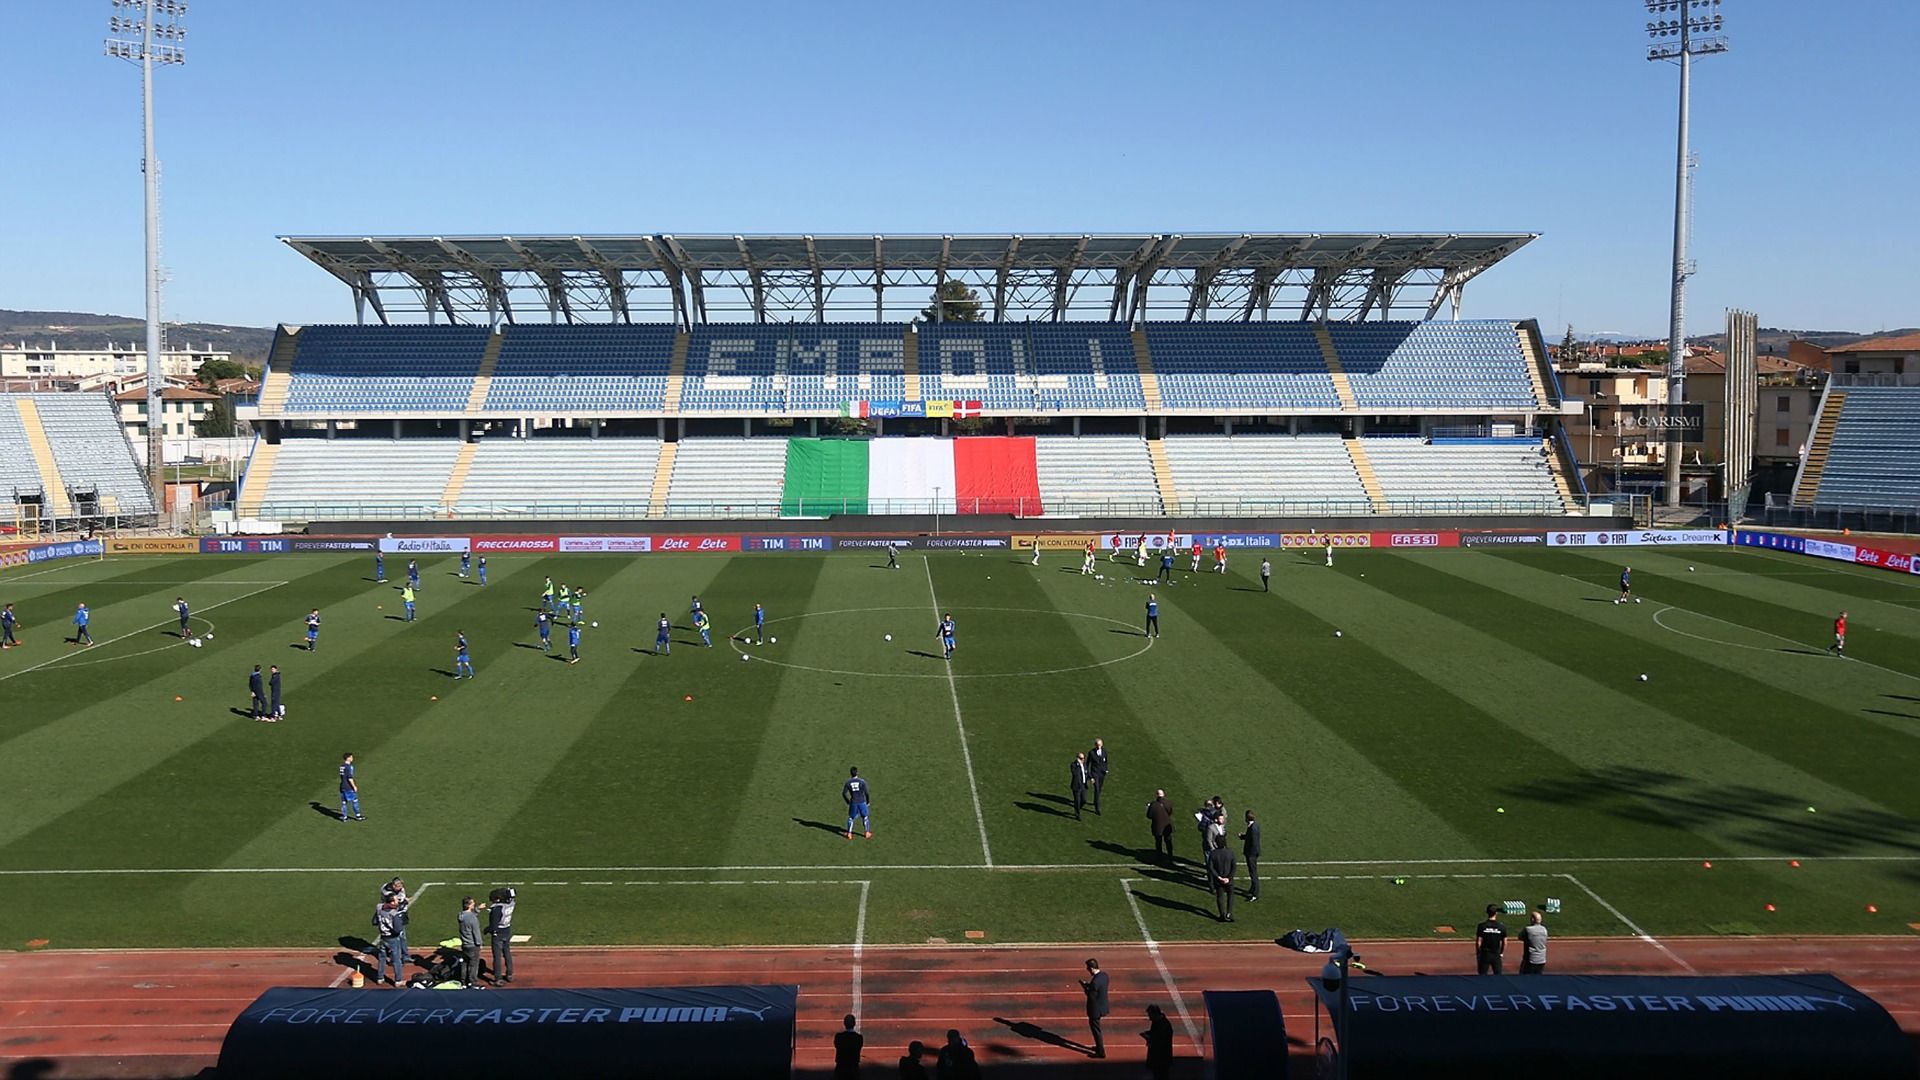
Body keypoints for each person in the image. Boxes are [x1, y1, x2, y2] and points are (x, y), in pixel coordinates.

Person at [373, 892, 407, 986]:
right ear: (392, 902)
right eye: (396, 900)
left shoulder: (379, 907)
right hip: (392, 939)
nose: (398, 901)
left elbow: (375, 920)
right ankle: (398, 980)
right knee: (396, 959)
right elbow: (398, 929)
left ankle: (380, 978)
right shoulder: (394, 914)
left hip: (383, 937)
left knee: (382, 958)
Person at [1079, 957, 1110, 1058]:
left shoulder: (1095, 982)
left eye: (1088, 969)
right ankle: (1098, 1047)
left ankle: (1101, 1052)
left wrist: (1085, 988)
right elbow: (1097, 989)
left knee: (1096, 1030)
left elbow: (1091, 995)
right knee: (1097, 1029)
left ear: (1092, 968)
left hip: (1095, 1010)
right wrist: (1089, 986)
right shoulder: (1104, 976)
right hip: (1103, 1005)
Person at [485, 886, 516, 983]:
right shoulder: (511, 903)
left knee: (497, 956)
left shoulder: (497, 909)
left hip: (498, 934)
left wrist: (486, 930)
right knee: (507, 953)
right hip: (507, 930)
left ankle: (498, 978)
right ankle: (509, 974)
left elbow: (494, 926)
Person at [1205, 836, 1236, 922]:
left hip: (1218, 880)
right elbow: (1234, 867)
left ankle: (1222, 915)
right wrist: (1229, 878)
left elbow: (1210, 868)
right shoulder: (1230, 853)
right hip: (1229, 880)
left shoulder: (1213, 853)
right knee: (1230, 895)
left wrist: (1218, 877)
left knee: (1220, 897)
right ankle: (1229, 913)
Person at [457, 896, 484, 988]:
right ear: (469, 905)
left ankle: (463, 981)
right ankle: (473, 982)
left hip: (465, 944)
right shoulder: (472, 918)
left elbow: (469, 917)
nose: (474, 904)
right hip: (473, 945)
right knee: (473, 964)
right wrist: (479, 944)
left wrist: (477, 909)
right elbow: (476, 932)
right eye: (472, 903)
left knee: (465, 963)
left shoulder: (461, 915)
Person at [1142, 1004, 1174, 1080]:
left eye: (1150, 1015)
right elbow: (1154, 1033)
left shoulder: (1165, 1025)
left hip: (1162, 1059)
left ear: (1155, 1014)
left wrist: (1149, 1038)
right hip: (1157, 1058)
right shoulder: (1157, 1021)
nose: (1149, 1018)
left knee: (1162, 1076)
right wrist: (1148, 1034)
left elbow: (1160, 1041)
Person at [1474, 903, 1508, 974]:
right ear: (1496, 913)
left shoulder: (1481, 926)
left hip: (1485, 954)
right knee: (1498, 976)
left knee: (1482, 976)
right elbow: (1505, 943)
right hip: (1496, 954)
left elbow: (1478, 942)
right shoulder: (1502, 927)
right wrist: (1501, 953)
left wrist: (1478, 953)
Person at [844, 766, 872, 840]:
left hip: (853, 802)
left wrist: (848, 801)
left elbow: (844, 793)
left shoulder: (848, 783)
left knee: (851, 818)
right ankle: (867, 832)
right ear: (857, 773)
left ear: (850, 773)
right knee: (865, 817)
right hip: (862, 802)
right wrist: (868, 802)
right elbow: (867, 793)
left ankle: (849, 834)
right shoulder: (862, 782)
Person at [1147, 789, 1175, 863]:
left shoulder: (1153, 804)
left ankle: (1159, 857)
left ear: (1156, 795)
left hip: (1157, 826)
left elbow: (1149, 816)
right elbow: (1170, 812)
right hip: (1167, 825)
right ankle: (1170, 856)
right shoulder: (1168, 803)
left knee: (1158, 842)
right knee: (1168, 842)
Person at [1240, 810, 1262, 901]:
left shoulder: (1252, 828)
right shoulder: (1254, 826)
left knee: (1253, 873)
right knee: (1252, 872)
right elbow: (1251, 837)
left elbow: (1254, 842)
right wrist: (1243, 836)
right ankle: (1252, 889)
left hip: (1251, 854)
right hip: (1252, 853)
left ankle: (1255, 894)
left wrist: (1251, 854)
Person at [833, 1014, 864, 1079]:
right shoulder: (859, 1038)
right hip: (853, 1068)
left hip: (841, 1068)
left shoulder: (839, 1037)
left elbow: (836, 1045)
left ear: (844, 1024)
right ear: (854, 1024)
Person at [1520, 910, 1548, 974]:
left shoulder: (1528, 929)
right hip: (1542, 959)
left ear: (1533, 919)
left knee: (1524, 977)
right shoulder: (1544, 929)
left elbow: (1520, 937)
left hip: (1530, 959)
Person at [339, 752, 364, 822]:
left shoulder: (342, 766)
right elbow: (349, 778)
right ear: (348, 758)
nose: (352, 758)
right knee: (355, 801)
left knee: (344, 802)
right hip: (348, 787)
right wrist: (354, 786)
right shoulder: (348, 767)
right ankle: (358, 816)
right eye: (351, 757)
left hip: (342, 786)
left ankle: (344, 817)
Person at [1086, 738, 1109, 815]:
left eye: (1100, 745)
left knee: (1099, 790)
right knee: (1097, 789)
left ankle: (1095, 801)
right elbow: (1087, 765)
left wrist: (1106, 769)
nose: (1098, 746)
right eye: (1097, 745)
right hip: (1094, 774)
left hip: (1102, 774)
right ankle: (1097, 808)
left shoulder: (1104, 751)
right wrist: (1090, 776)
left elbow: (1106, 761)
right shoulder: (1091, 753)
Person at [1069, 751, 1090, 821]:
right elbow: (1075, 774)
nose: (1083, 760)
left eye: (1084, 758)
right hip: (1076, 786)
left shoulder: (1084, 764)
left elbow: (1087, 772)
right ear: (1077, 758)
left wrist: (1091, 778)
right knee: (1077, 801)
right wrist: (1079, 765)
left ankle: (1077, 808)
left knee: (1084, 800)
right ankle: (1077, 814)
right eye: (1081, 758)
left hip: (1083, 785)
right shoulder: (1074, 765)